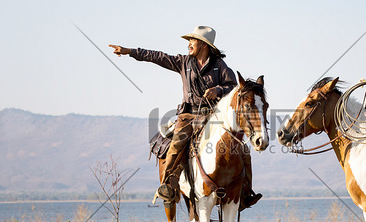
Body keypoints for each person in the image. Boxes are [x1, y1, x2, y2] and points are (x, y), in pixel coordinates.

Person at [109, 26, 262, 210]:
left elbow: (234, 88)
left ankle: (245, 193)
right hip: (188, 115)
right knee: (176, 146)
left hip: (214, 117)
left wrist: (218, 90)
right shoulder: (183, 62)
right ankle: (168, 186)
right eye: (189, 40)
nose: (189, 44)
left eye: (193, 40)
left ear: (204, 45)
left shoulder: (219, 66)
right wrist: (129, 51)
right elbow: (157, 56)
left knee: (243, 149)